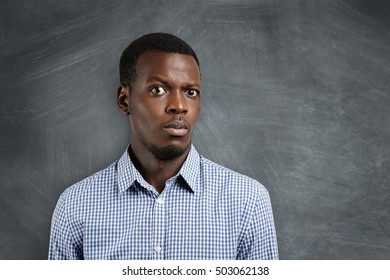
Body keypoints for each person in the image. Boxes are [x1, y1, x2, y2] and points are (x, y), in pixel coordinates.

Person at [48, 32, 278, 260]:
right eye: (158, 89)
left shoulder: (248, 201)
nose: (179, 106)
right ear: (124, 100)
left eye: (190, 92)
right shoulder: (75, 205)